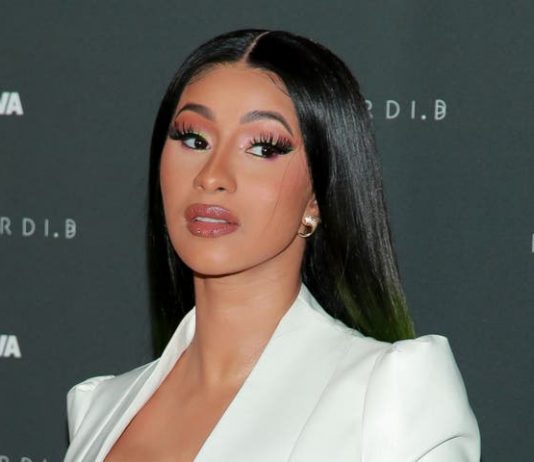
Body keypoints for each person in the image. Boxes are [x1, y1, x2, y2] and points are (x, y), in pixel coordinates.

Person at [64, 29, 480, 461]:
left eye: (263, 148)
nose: (212, 175)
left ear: (317, 197)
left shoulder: (384, 395)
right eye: (194, 139)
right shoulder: (100, 407)